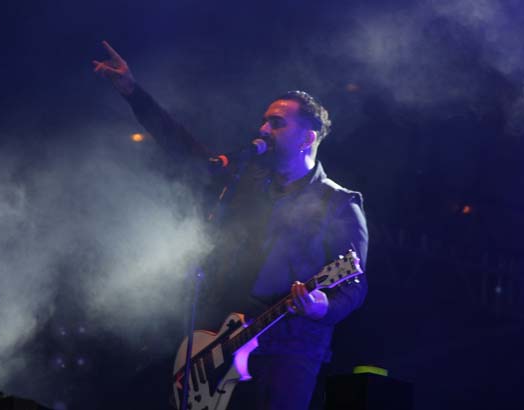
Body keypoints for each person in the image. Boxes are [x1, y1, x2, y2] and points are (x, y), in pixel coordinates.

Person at [94, 41, 368, 410]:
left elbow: (354, 284)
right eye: (264, 120)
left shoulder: (339, 203)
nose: (263, 128)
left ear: (308, 137)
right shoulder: (246, 182)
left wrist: (321, 307)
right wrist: (133, 92)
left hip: (286, 353)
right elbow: (187, 152)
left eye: (276, 122)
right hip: (222, 343)